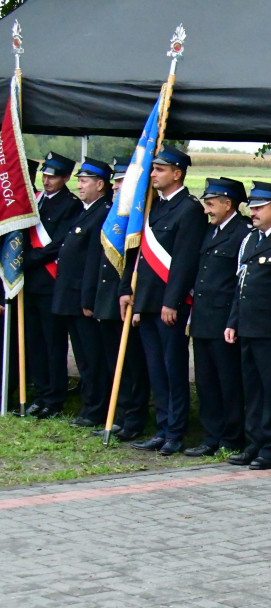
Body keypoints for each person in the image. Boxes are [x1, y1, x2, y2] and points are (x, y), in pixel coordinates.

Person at [119, 145, 206, 455]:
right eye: (153, 168)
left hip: (171, 306)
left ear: (177, 173)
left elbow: (184, 262)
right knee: (156, 369)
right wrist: (131, 295)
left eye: (159, 169)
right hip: (148, 303)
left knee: (173, 369)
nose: (152, 174)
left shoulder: (190, 209)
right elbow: (140, 256)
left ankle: (175, 432)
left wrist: (172, 301)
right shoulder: (154, 207)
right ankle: (162, 427)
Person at [226, 182, 271, 470]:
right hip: (248, 328)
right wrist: (233, 321)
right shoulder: (251, 239)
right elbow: (241, 284)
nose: (252, 212)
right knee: (252, 390)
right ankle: (254, 442)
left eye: (258, 207)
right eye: (251, 207)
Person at [83, 156, 149, 442]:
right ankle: (119, 415)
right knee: (114, 364)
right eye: (117, 182)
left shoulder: (138, 219)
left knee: (132, 365)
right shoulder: (113, 217)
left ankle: (133, 419)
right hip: (107, 301)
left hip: (124, 301)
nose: (116, 187)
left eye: (123, 182)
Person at [185, 178, 250, 458]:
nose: (207, 209)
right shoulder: (209, 231)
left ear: (228, 203)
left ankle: (231, 436)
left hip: (224, 322)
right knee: (207, 383)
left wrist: (232, 322)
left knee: (229, 383)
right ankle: (211, 435)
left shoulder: (242, 233)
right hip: (202, 320)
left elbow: (240, 283)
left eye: (211, 204)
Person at [52, 158, 113, 428]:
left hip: (82, 299)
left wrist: (88, 299)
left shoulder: (102, 212)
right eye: (78, 180)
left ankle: (96, 408)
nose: (79, 185)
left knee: (92, 357)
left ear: (100, 185)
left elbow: (92, 261)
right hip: (71, 296)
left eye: (84, 180)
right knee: (83, 356)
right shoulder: (86, 210)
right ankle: (90, 405)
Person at [24, 152, 81, 418]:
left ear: (66, 177)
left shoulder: (70, 205)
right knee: (34, 342)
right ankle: (40, 392)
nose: (47, 181)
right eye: (45, 175)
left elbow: (58, 244)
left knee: (52, 343)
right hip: (30, 283)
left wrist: (30, 258)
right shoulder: (35, 201)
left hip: (50, 281)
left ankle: (55, 397)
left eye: (53, 176)